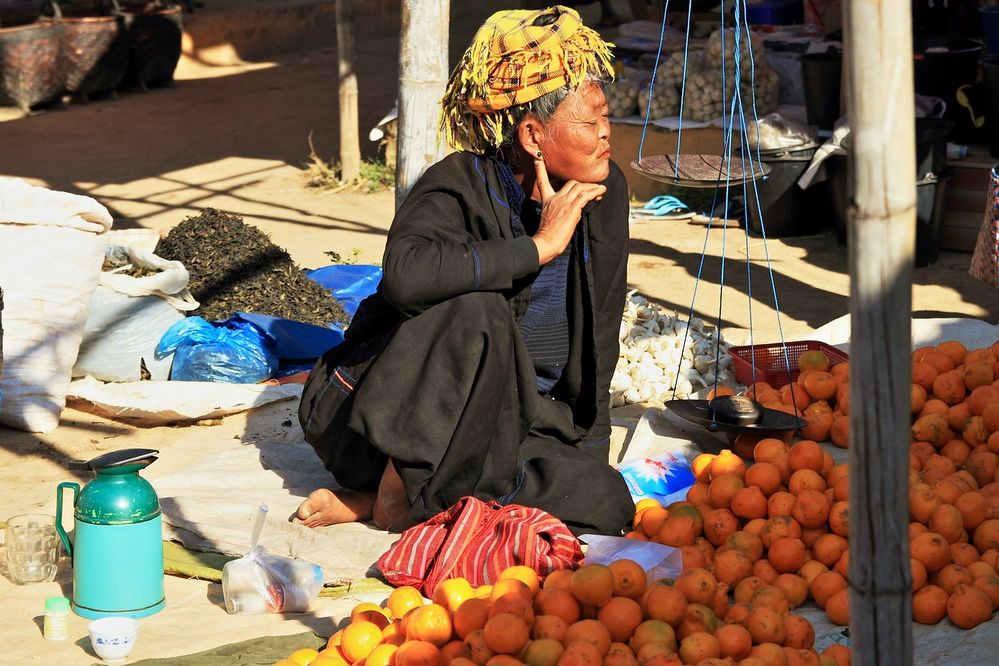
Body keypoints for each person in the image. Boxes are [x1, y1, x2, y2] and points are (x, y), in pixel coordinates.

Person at [294, 5, 635, 535]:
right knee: (479, 311)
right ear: (531, 137)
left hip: (502, 421)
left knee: (608, 501)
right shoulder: (459, 183)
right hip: (385, 421)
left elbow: (602, 332)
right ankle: (390, 490)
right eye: (589, 123)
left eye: (606, 118)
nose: (605, 135)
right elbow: (405, 276)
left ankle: (403, 501)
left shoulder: (604, 195)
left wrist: (592, 453)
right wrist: (539, 246)